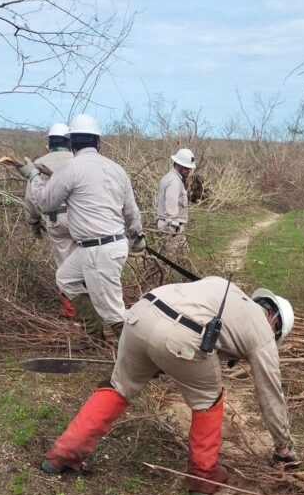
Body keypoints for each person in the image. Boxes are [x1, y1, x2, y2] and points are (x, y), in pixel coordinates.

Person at [38, 277, 300, 495]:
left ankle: (63, 454)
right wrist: (283, 447)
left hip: (139, 315)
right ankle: (203, 476)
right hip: (182, 335)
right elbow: (270, 393)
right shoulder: (263, 331)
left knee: (119, 386)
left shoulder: (224, 288)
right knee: (209, 398)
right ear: (275, 322)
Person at [19, 113, 144, 348]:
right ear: (98, 142)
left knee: (112, 310)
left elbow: (45, 203)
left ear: (72, 143)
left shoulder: (70, 169)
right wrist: (137, 236)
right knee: (66, 278)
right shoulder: (116, 169)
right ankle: (93, 337)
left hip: (98, 249)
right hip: (109, 245)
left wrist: (34, 177)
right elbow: (131, 210)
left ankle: (135, 357)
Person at [23, 122, 77, 320]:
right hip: (84, 219)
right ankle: (93, 310)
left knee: (66, 266)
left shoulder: (37, 164)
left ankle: (71, 312)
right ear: (69, 142)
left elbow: (31, 199)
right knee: (89, 262)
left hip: (55, 220)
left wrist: (34, 222)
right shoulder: (78, 161)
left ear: (49, 142)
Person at [155, 148, 195, 261]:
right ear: (178, 164)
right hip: (172, 227)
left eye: (189, 168)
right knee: (172, 262)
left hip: (168, 224)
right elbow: (171, 205)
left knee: (182, 260)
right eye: (186, 168)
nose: (188, 171)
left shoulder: (169, 177)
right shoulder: (174, 182)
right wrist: (172, 229)